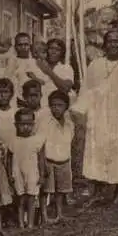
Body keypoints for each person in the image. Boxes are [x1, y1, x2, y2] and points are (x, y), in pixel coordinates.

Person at [71, 29, 118, 206]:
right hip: (99, 115)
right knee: (98, 150)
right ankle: (97, 190)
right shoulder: (95, 65)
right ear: (105, 45)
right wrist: (81, 110)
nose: (113, 44)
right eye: (110, 41)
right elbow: (86, 90)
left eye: (117, 41)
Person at [38, 91, 75, 224]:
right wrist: (42, 166)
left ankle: (59, 214)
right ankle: (44, 216)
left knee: (60, 191)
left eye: (60, 105)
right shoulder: (46, 123)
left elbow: (69, 141)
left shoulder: (69, 123)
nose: (56, 108)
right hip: (49, 161)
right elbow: (41, 146)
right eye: (53, 105)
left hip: (64, 161)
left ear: (66, 106)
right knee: (46, 190)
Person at [7, 108, 46, 229]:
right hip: (17, 172)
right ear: (16, 125)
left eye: (29, 124)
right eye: (22, 124)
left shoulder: (37, 140)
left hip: (32, 173)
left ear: (33, 124)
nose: (26, 127)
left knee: (31, 198)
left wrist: (42, 174)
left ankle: (30, 223)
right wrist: (9, 174)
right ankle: (20, 223)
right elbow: (9, 159)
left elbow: (41, 159)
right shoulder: (13, 141)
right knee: (20, 199)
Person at [35, 38, 75, 108]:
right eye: (51, 48)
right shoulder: (37, 64)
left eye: (57, 50)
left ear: (62, 53)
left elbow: (66, 88)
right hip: (39, 107)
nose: (53, 52)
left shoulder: (66, 68)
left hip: (57, 108)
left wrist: (49, 72)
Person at [6, 32, 45, 100]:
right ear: (15, 47)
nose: (23, 47)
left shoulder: (35, 61)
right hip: (16, 96)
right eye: (20, 45)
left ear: (30, 46)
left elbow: (42, 82)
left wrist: (35, 78)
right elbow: (8, 80)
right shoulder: (12, 61)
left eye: (26, 44)